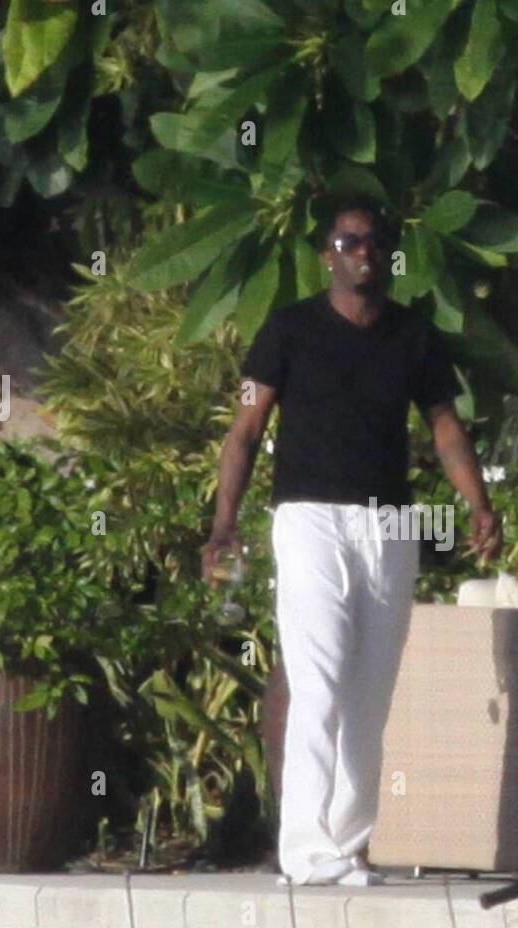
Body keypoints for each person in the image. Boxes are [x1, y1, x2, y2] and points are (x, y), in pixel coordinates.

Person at [202, 196, 502, 886]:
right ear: (326, 253)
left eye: (375, 242)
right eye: (349, 241)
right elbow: (245, 431)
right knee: (321, 679)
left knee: (373, 690)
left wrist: (479, 503)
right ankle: (307, 850)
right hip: (308, 519)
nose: (363, 252)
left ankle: (348, 844)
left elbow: (445, 427)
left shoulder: (413, 335)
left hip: (389, 525)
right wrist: (224, 525)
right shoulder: (287, 329)